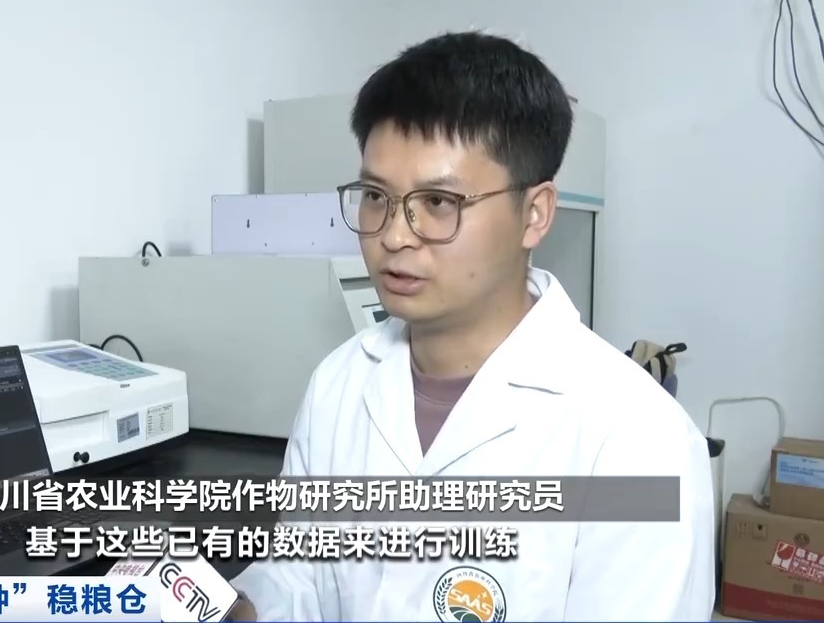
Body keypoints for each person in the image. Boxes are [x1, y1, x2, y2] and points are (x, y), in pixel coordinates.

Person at [226, 31, 715, 622]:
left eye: (438, 202)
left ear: (534, 214)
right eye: (376, 195)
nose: (393, 235)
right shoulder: (339, 384)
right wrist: (235, 608)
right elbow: (300, 573)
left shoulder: (638, 440)